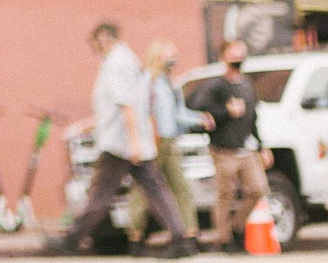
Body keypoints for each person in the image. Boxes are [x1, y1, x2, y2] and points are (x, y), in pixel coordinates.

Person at [49, 21, 196, 256]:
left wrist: (134, 142)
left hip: (121, 145)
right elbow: (116, 108)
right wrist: (90, 125)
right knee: (156, 191)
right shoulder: (125, 61)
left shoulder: (117, 62)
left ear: (105, 38)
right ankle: (181, 240)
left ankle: (72, 239)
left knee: (100, 194)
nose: (94, 47)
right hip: (129, 142)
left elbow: (127, 105)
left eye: (95, 41)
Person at [198, 42, 272, 252]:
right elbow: (200, 112)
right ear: (224, 57)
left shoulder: (247, 84)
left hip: (245, 148)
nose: (238, 58)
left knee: (258, 189)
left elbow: (253, 118)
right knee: (226, 194)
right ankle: (224, 238)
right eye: (234, 54)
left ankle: (237, 228)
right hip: (223, 150)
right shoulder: (216, 86)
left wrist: (261, 146)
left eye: (241, 54)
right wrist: (225, 112)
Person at [126, 41, 201, 246]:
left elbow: (179, 114)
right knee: (144, 189)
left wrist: (200, 118)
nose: (173, 59)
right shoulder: (147, 81)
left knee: (180, 186)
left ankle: (189, 233)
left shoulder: (171, 83)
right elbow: (139, 112)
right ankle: (135, 235)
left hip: (169, 140)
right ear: (157, 56)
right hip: (153, 140)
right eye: (169, 55)